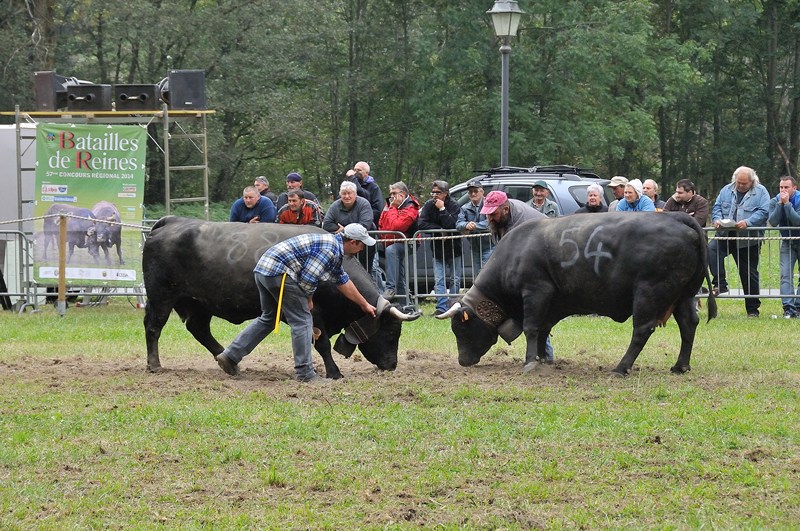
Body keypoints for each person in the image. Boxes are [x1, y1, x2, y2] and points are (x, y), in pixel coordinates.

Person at [214, 224, 378, 383]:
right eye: (362, 245)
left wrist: (364, 304)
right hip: (281, 274)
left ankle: (230, 355)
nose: (362, 249)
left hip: (265, 270)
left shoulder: (331, 245)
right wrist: (308, 299)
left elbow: (342, 280)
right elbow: (308, 278)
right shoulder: (329, 250)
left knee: (269, 318)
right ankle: (305, 373)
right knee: (302, 321)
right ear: (353, 242)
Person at [480, 190, 554, 361]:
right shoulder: (498, 220)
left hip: (543, 261)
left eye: (493, 214)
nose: (489, 218)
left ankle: (546, 355)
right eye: (487, 214)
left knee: (535, 310)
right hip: (529, 262)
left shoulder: (521, 222)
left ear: (505, 209)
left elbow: (513, 255)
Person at [708, 166, 770, 317]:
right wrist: (716, 220)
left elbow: (764, 211)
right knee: (711, 250)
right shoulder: (726, 190)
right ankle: (720, 284)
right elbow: (716, 207)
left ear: (752, 182)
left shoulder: (761, 192)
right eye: (738, 183)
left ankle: (752, 309)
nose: (741, 186)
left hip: (748, 239)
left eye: (744, 183)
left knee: (748, 274)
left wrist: (747, 222)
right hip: (726, 235)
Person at [418, 180, 462, 316]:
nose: (435, 195)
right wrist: (439, 229)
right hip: (437, 249)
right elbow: (421, 224)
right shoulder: (428, 206)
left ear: (446, 194)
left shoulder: (454, 205)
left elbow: (453, 225)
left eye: (438, 193)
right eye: (433, 192)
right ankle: (441, 307)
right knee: (439, 279)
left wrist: (442, 209)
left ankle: (454, 306)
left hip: (454, 248)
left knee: (455, 278)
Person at [377, 181, 420, 300]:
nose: (391, 197)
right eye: (390, 194)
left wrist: (393, 208)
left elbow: (397, 226)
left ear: (402, 194)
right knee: (400, 276)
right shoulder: (390, 206)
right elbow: (381, 224)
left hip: (409, 243)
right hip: (392, 242)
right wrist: (392, 209)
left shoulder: (411, 206)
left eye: (394, 193)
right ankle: (406, 304)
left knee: (391, 250)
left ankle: (390, 287)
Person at [767, 176, 800, 318]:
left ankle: (798, 307)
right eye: (781, 187)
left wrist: (787, 205)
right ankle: (788, 308)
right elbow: (773, 221)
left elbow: (798, 221)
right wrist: (780, 205)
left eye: (786, 187)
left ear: (794, 188)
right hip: (787, 241)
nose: (783, 190)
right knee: (785, 275)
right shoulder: (775, 201)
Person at [456, 179, 493, 277]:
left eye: (475, 191)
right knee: (477, 275)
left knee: (487, 274)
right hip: (474, 247)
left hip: (490, 245)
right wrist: (466, 225)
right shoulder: (464, 208)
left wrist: (474, 226)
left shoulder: (489, 205)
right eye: (470, 192)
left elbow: (490, 222)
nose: (473, 194)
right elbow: (458, 224)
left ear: (482, 192)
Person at [350, 161, 384, 229]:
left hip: (368, 227)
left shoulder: (374, 187)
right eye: (355, 170)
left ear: (366, 173)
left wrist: (363, 217)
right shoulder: (350, 185)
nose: (356, 172)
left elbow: (378, 209)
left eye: (359, 170)